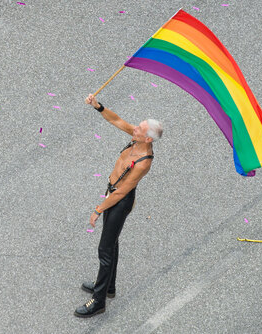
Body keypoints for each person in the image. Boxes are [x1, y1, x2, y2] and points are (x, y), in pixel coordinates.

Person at [74, 94, 163, 318]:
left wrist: (98, 209)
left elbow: (123, 191)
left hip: (120, 202)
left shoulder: (144, 161)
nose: (134, 129)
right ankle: (109, 286)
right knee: (111, 242)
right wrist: (98, 106)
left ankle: (99, 300)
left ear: (149, 139)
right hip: (113, 194)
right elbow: (117, 121)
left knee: (105, 250)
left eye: (139, 129)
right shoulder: (137, 138)